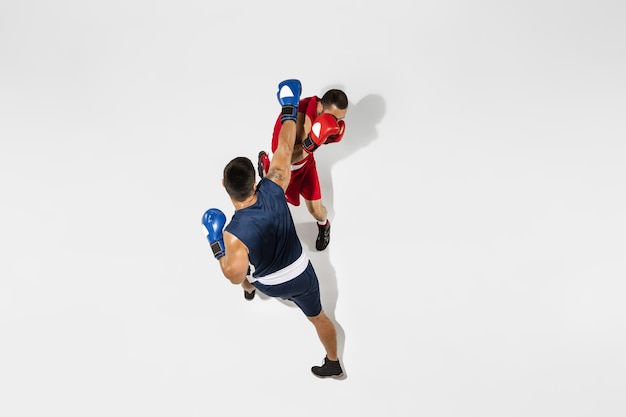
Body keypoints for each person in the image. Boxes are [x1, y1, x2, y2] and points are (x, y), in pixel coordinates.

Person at [202, 79, 344, 379]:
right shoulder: (274, 183)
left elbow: (232, 274)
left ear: (224, 187)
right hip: (304, 274)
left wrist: (215, 243)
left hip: (271, 283)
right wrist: (289, 108)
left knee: (247, 277)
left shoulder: (232, 235)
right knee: (319, 317)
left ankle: (252, 293)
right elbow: (283, 145)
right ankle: (333, 363)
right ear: (255, 181)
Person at [257, 86, 348, 251]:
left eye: (340, 119)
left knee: (317, 211)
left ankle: (324, 226)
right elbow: (287, 157)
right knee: (271, 209)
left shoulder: (323, 116)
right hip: (283, 164)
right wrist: (312, 142)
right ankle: (265, 162)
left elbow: (320, 136)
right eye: (333, 118)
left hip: (305, 166)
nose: (335, 124)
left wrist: (321, 139)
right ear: (320, 106)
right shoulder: (300, 119)